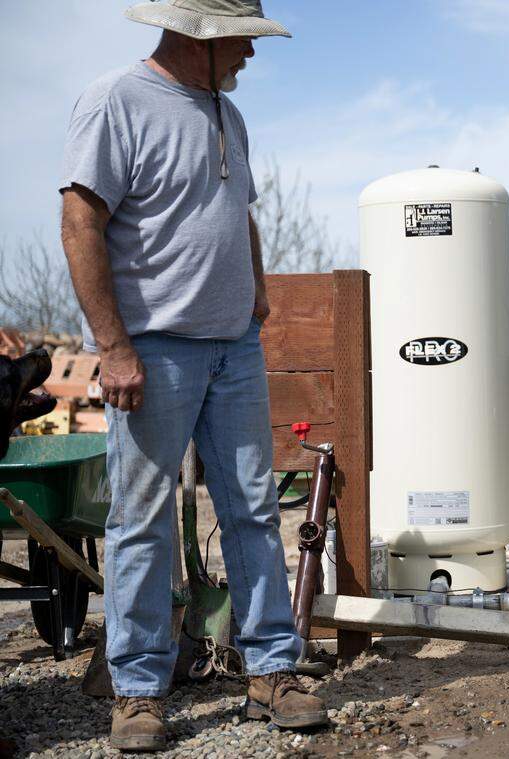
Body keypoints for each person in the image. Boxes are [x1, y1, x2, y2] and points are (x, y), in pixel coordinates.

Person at [59, 1, 325, 751]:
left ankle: (273, 668)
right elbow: (81, 220)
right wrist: (112, 347)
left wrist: (258, 288)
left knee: (249, 509)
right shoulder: (117, 100)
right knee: (140, 521)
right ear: (198, 35)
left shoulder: (227, 114)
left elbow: (238, 208)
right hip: (152, 349)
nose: (250, 54)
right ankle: (140, 689)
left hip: (232, 346)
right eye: (241, 39)